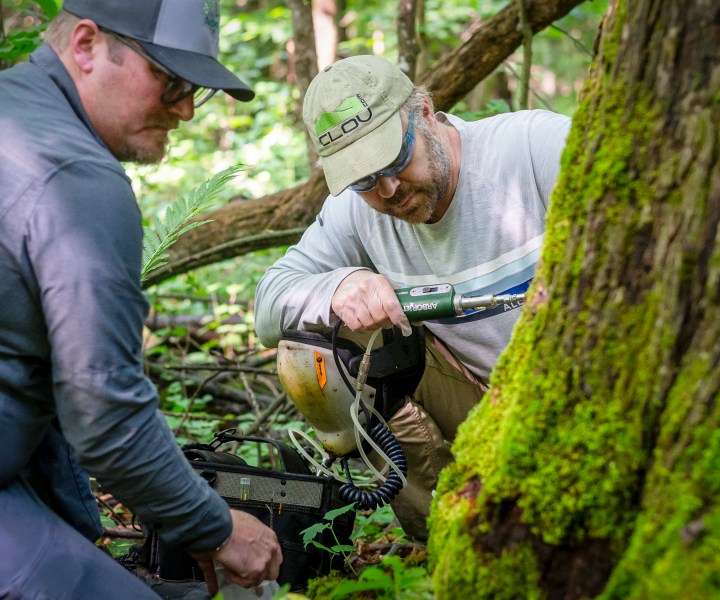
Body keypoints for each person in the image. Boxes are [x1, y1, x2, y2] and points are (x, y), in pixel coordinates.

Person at [0, 1, 281, 598]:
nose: (183, 110)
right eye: (170, 79)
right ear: (86, 46)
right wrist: (217, 528)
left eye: (194, 89)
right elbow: (103, 412)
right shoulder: (75, 178)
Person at [253, 55, 571, 540]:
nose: (388, 189)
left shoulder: (534, 148)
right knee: (322, 342)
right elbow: (269, 305)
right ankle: (453, 532)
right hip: (483, 405)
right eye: (362, 181)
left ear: (424, 112)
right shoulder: (355, 212)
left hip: (585, 393)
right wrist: (339, 286)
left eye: (394, 159)